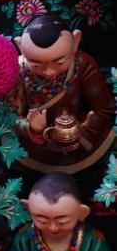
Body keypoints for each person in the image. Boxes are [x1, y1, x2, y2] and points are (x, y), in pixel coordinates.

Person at [10, 14, 116, 175]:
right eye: (36, 64)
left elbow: (104, 108)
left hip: (79, 136)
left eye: (59, 62)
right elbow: (9, 116)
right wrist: (32, 128)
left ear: (75, 42)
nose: (49, 72)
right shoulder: (19, 69)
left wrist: (77, 134)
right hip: (34, 145)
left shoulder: (81, 63)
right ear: (20, 46)